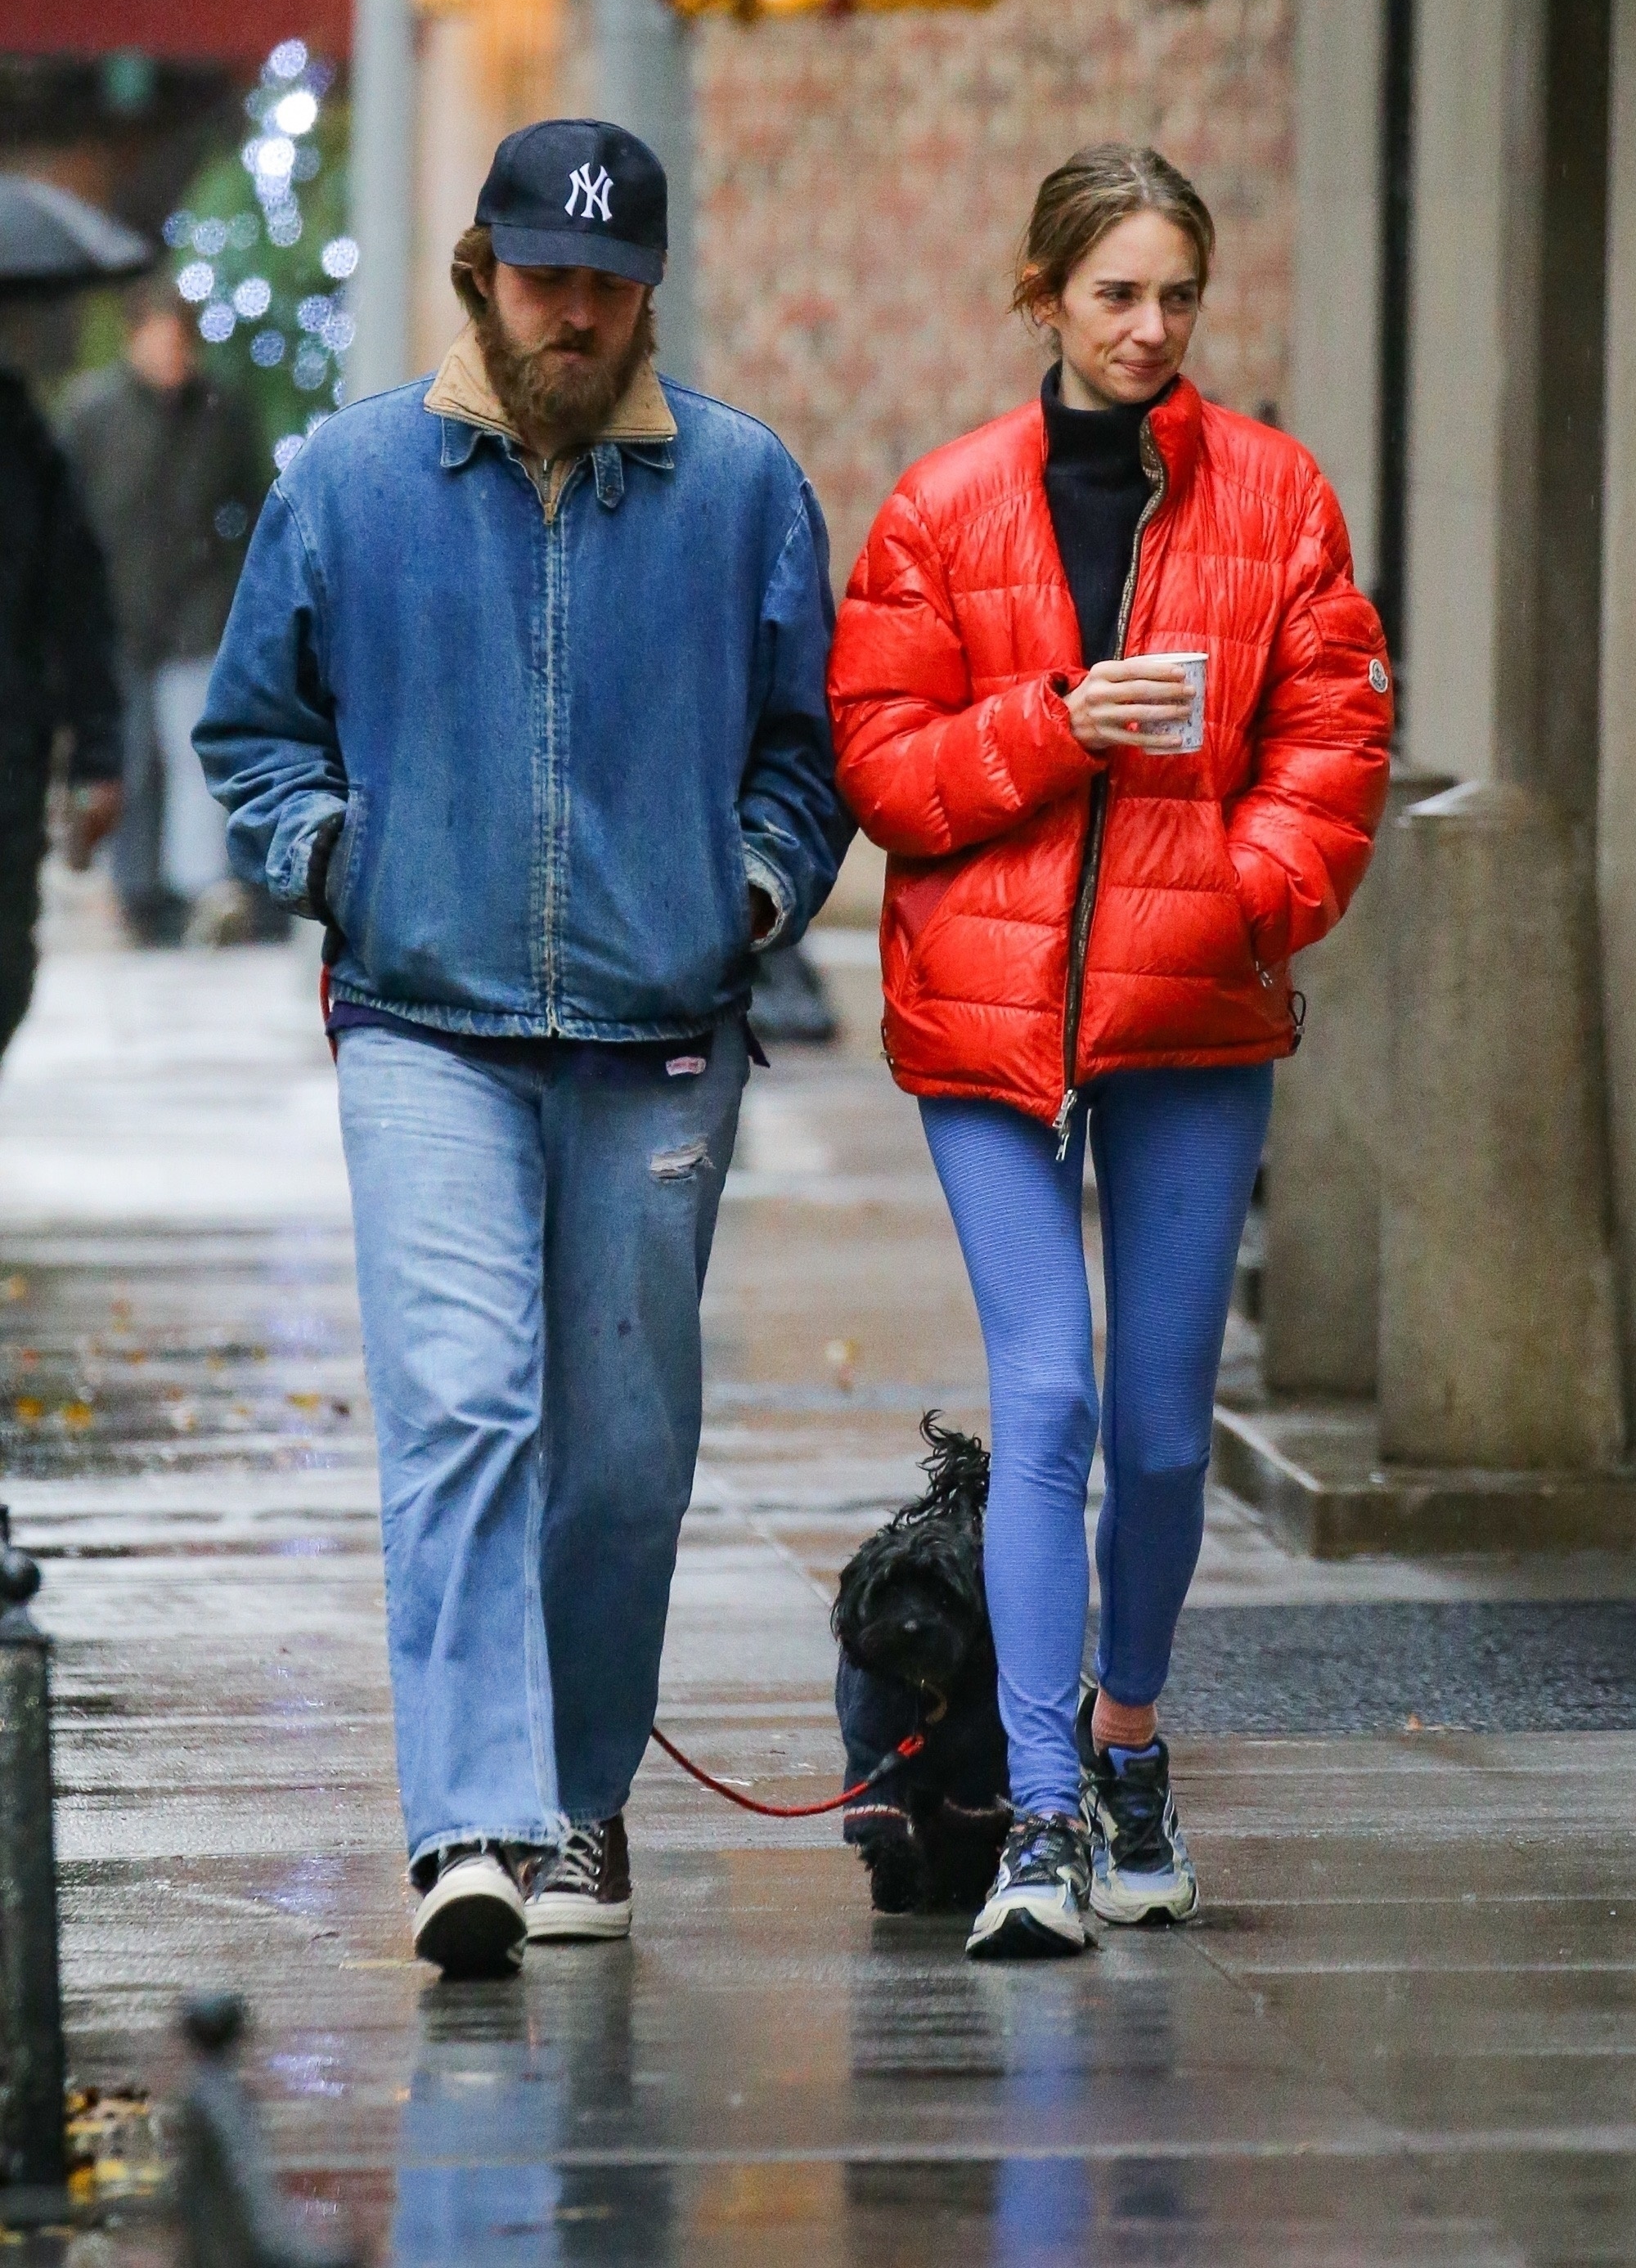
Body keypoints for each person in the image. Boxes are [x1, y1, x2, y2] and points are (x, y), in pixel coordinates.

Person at [196, 120, 843, 1977]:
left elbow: (810, 753)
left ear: (648, 288)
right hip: (421, 1020)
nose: (574, 313)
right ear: (482, 265)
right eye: (544, 276)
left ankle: (575, 1791)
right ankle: (471, 1822)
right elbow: (255, 729)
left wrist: (744, 893)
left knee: (625, 1459)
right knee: (464, 1410)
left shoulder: (738, 490)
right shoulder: (352, 480)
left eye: (608, 281)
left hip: (657, 1035)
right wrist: (329, 853)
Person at [828, 143, 1392, 1961]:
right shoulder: (944, 510)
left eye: (1176, 297)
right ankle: (1042, 1816)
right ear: (1043, 296)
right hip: (989, 1028)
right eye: (1114, 295)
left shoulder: (1279, 500)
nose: (1149, 330)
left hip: (1192, 1017)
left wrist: (1243, 894)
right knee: (1047, 1400)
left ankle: (1132, 1744)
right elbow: (886, 773)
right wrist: (1055, 725)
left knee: (1158, 1434)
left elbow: (1336, 737)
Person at [58, 275, 267, 947]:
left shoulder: (220, 411)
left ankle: (197, 886)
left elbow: (255, 500)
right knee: (130, 755)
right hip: (115, 609)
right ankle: (136, 888)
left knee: (191, 747)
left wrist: (232, 579)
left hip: (196, 609)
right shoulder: (95, 414)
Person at [0, 365, 122, 1062]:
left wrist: (99, 755)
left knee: (6, 974)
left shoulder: (23, 441)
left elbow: (79, 607)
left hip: (9, 751)